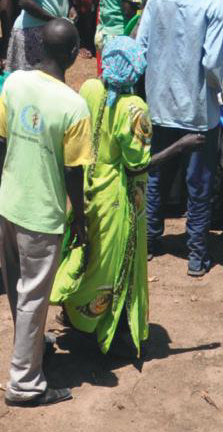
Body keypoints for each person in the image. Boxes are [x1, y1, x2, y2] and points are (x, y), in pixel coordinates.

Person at [0, 17, 90, 407]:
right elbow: (72, 171)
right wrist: (79, 216)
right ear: (71, 54)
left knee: (19, 290)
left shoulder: (14, 82)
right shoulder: (74, 105)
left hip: (9, 205)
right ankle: (25, 384)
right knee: (33, 296)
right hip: (41, 216)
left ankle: (31, 348)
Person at [53, 35, 166, 359]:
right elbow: (137, 165)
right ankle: (107, 329)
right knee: (118, 264)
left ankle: (75, 315)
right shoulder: (134, 109)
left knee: (90, 257)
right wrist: (180, 148)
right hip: (120, 198)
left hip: (89, 188)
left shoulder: (90, 88)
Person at [139, 0, 223, 277]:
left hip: (159, 102)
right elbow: (213, 63)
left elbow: (142, 44)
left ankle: (149, 241)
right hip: (198, 110)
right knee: (199, 183)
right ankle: (195, 256)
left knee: (156, 173)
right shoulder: (213, 4)